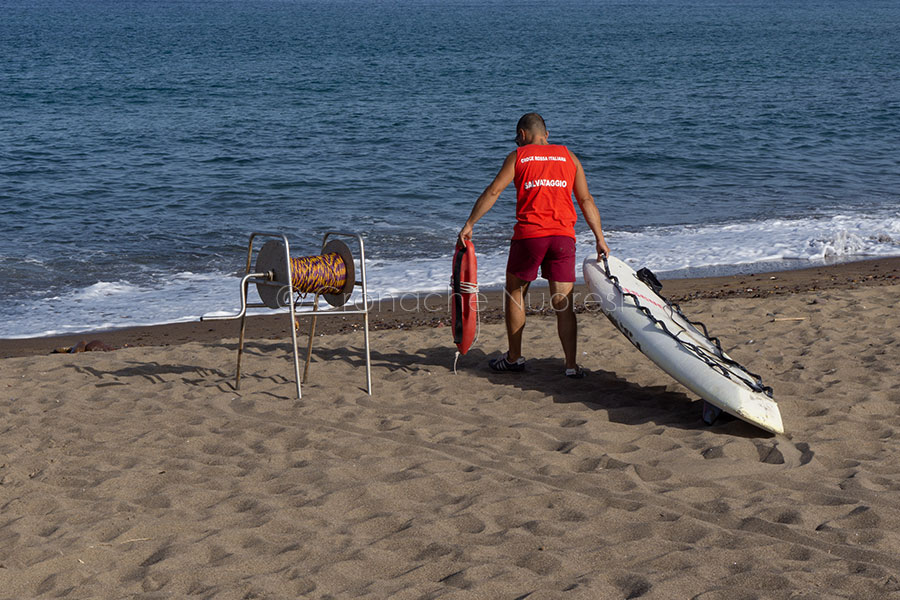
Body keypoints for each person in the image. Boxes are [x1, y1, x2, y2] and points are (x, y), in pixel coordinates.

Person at [458, 113, 610, 378]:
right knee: (563, 303)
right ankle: (571, 366)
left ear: (522, 134)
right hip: (563, 238)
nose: (517, 142)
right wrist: (600, 238)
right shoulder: (569, 157)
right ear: (546, 135)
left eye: (517, 138)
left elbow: (494, 191)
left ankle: (514, 358)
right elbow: (586, 200)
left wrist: (470, 223)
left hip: (530, 238)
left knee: (515, 295)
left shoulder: (519, 156)